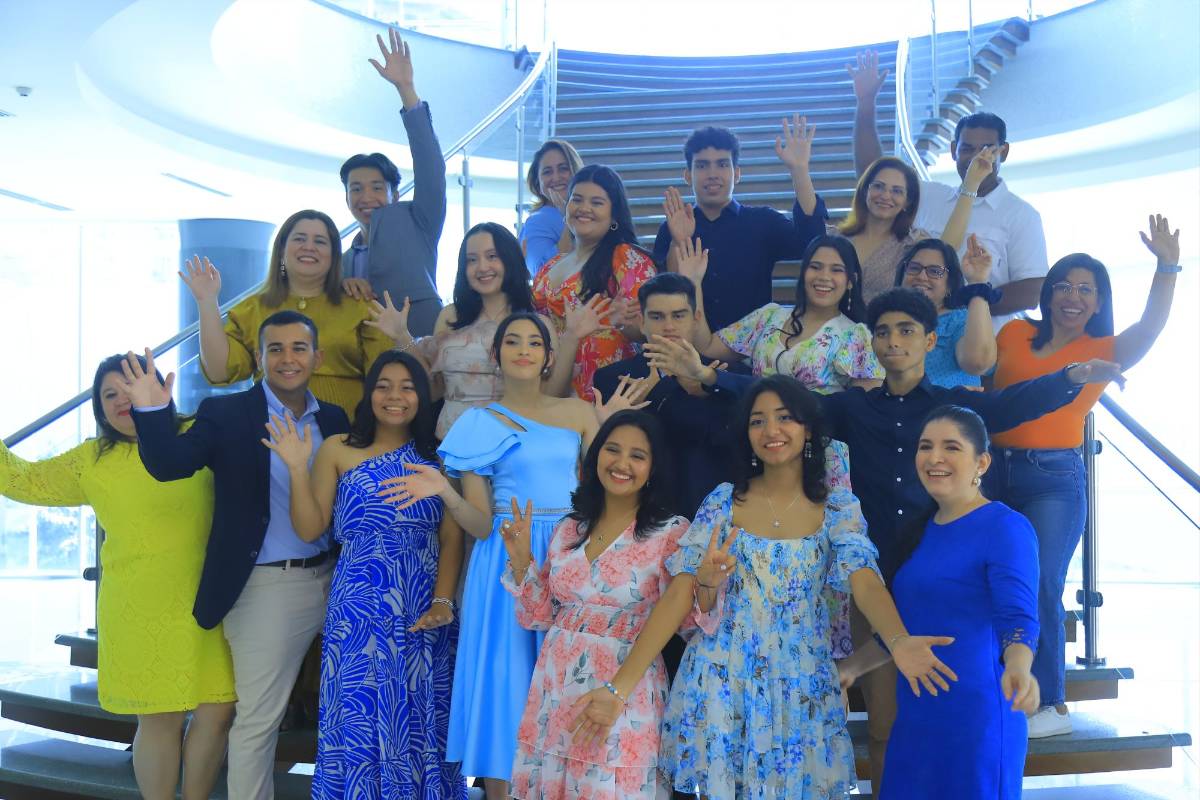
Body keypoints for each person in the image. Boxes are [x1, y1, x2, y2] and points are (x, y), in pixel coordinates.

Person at [648, 287, 1123, 789]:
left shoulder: (951, 408)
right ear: (870, 342)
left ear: (930, 340)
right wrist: (708, 375)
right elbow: (786, 406)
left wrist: (1071, 379)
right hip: (870, 579)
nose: (893, 341)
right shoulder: (852, 407)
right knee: (884, 721)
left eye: (906, 330)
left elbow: (1008, 404)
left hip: (933, 571)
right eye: (882, 331)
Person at [375, 312, 644, 799]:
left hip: (568, 552)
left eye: (535, 342)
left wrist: (612, 429)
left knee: (567, 680)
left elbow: (604, 493)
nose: (524, 349)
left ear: (548, 356)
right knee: (506, 687)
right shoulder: (473, 424)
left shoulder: (581, 412)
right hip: (503, 559)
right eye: (513, 341)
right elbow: (479, 524)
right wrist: (446, 494)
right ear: (496, 356)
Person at [658, 375, 957, 799]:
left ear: (809, 429)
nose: (771, 431)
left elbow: (865, 581)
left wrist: (898, 639)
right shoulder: (722, 501)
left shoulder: (837, 506)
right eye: (757, 421)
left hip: (802, 680)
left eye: (785, 418)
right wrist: (706, 585)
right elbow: (692, 596)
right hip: (722, 679)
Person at [127, 312, 351, 800]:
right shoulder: (225, 414)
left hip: (336, 580)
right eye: (275, 349)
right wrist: (151, 413)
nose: (287, 359)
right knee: (257, 723)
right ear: (259, 357)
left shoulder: (333, 419)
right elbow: (170, 465)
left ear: (317, 356)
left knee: (348, 713)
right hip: (267, 587)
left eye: (298, 348)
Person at [0, 354, 235, 800]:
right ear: (99, 407)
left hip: (211, 600)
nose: (122, 400)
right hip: (137, 606)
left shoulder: (197, 437)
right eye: (110, 394)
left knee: (219, 709)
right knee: (159, 716)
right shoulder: (92, 459)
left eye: (131, 387)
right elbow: (22, 480)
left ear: (158, 387)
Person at [990, 215, 1182, 738]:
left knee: (1043, 581)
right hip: (989, 475)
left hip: (1054, 480)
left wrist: (1167, 266)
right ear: (1049, 294)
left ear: (1098, 304)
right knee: (994, 580)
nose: (1073, 296)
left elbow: (1153, 325)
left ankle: (1051, 704)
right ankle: (1000, 689)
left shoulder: (1106, 350)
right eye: (1064, 286)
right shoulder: (1013, 333)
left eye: (1086, 291)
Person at [263, 350, 466, 798]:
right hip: (357, 602)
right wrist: (297, 467)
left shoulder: (443, 457)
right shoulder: (338, 448)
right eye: (384, 386)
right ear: (369, 393)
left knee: (419, 717)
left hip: (421, 603)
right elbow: (310, 527)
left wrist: (443, 601)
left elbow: (453, 539)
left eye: (407, 387)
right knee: (357, 713)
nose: (395, 396)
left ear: (422, 396)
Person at [841, 406, 1040, 798]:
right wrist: (850, 669)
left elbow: (1017, 614)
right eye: (925, 446)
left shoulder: (1005, 527)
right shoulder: (922, 529)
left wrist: (1019, 664)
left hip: (975, 719)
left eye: (951, 447)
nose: (935, 458)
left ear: (981, 462)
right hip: (917, 718)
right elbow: (908, 628)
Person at [499, 410, 695, 799]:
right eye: (613, 450)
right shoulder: (571, 527)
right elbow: (540, 618)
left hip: (625, 688)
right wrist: (522, 560)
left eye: (638, 456)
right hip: (556, 690)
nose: (622, 464)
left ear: (654, 468)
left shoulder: (672, 532)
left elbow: (687, 621)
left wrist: (617, 692)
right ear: (595, 457)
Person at [849, 50, 1048, 328]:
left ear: (1003, 152)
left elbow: (1032, 291)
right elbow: (874, 177)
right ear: (954, 150)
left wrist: (958, 301)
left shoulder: (1021, 215)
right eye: (966, 148)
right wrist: (866, 104)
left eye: (987, 149)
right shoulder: (929, 195)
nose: (976, 157)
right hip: (907, 339)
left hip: (980, 348)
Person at [685, 234, 882, 491]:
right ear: (803, 272)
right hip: (758, 442)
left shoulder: (859, 335)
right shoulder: (770, 315)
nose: (824, 276)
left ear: (851, 281)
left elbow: (862, 407)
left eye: (836, 270)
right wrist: (693, 283)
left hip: (817, 455)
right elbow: (707, 345)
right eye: (815, 266)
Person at [182, 209, 404, 418]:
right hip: (269, 431)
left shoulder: (360, 306)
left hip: (346, 434)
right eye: (299, 239)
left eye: (320, 241)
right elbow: (220, 371)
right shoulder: (253, 309)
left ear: (334, 255)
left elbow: (385, 378)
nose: (309, 247)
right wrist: (207, 302)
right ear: (281, 250)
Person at [593, 271, 746, 518]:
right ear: (641, 322)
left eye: (678, 315)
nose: (669, 326)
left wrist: (702, 386)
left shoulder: (722, 375)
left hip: (707, 514)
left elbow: (728, 439)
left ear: (696, 319)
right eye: (657, 316)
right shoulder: (612, 379)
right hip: (636, 515)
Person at [372, 222, 545, 437]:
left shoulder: (537, 322)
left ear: (510, 258)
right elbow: (434, 390)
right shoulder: (450, 316)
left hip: (515, 436)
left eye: (492, 256)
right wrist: (401, 335)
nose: (482, 267)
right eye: (472, 260)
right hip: (453, 439)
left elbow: (551, 391)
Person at [653, 122, 829, 330]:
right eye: (701, 165)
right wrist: (679, 241)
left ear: (737, 173)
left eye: (722, 164)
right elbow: (667, 292)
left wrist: (799, 170)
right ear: (687, 175)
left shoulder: (763, 221)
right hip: (689, 348)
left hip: (750, 352)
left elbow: (811, 242)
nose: (712, 174)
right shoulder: (671, 227)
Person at [340, 29, 447, 337]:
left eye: (377, 187)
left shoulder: (419, 220)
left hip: (419, 350)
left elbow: (431, 166)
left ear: (396, 194)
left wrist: (406, 89)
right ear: (346, 198)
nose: (366, 197)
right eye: (356, 189)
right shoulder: (342, 259)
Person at [532, 164, 658, 401]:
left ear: (614, 215)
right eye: (577, 200)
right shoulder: (550, 265)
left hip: (603, 393)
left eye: (597, 203)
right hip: (551, 388)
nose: (584, 208)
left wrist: (622, 323)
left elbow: (648, 330)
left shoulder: (627, 259)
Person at [894, 234, 997, 387]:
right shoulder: (884, 319)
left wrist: (977, 281)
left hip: (948, 409)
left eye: (935, 271)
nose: (922, 276)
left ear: (949, 285)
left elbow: (978, 362)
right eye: (914, 268)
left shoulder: (959, 320)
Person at [520, 138, 585, 273]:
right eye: (547, 172)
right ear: (538, 181)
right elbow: (544, 276)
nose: (556, 177)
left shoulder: (592, 210)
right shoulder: (537, 222)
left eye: (563, 169)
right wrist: (569, 219)